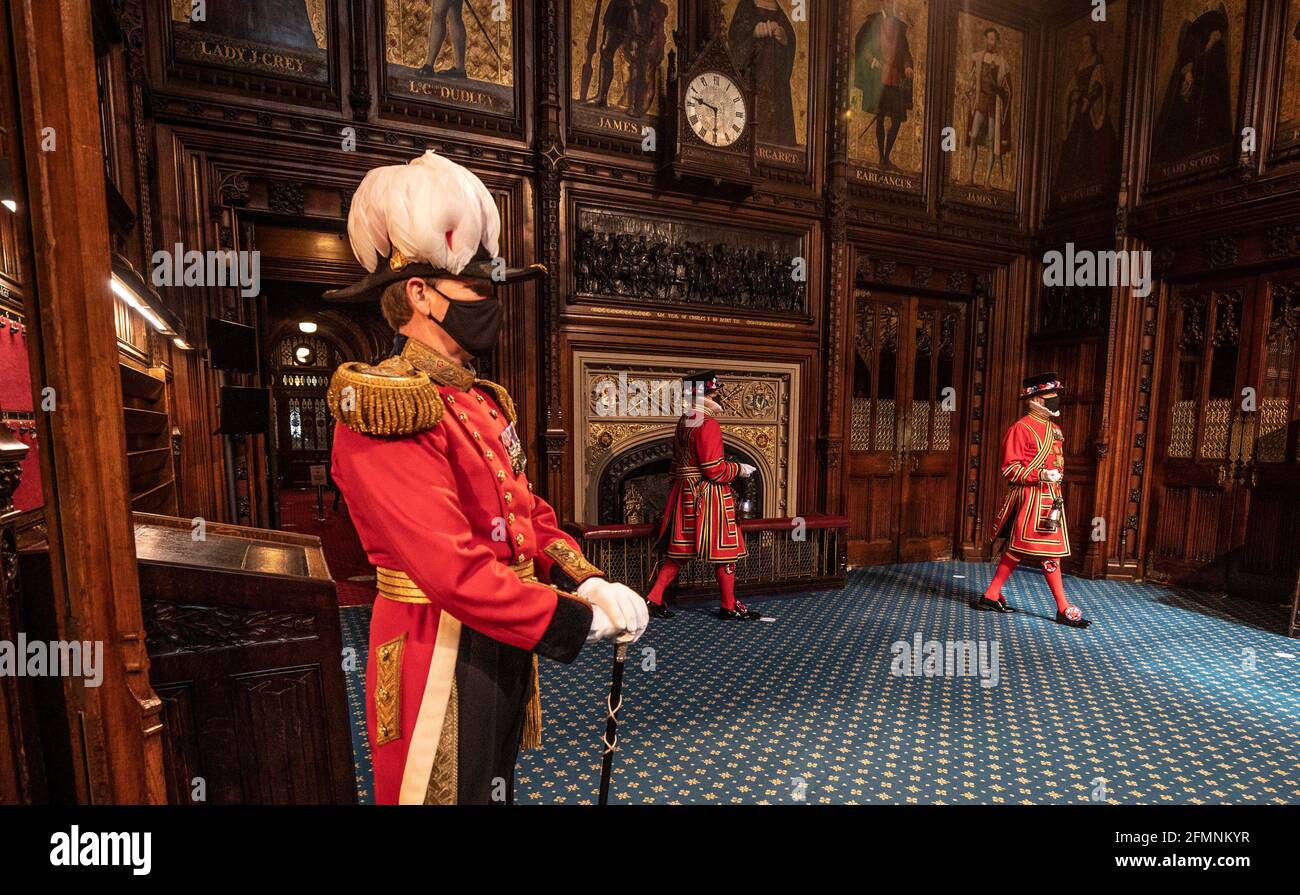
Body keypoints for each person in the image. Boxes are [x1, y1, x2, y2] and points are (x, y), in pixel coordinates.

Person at [325, 150, 649, 804]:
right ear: (419, 293)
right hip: (435, 646)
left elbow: (526, 515)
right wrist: (574, 620)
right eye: (476, 288)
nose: (489, 302)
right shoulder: (386, 404)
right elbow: (451, 568)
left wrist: (585, 574)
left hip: (502, 634)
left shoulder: (480, 399)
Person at [976, 372, 1091, 628]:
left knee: (1017, 549)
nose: (1055, 401)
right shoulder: (1020, 428)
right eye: (1050, 397)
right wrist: (1040, 474)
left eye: (1055, 396)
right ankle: (1062, 607)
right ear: (1036, 399)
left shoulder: (1055, 429)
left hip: (1052, 500)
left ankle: (991, 594)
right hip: (1031, 498)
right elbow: (1009, 469)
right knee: (1049, 554)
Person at [643, 372, 760, 620]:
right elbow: (713, 469)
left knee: (680, 552)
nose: (718, 395)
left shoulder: (684, 421)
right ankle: (728, 606)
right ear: (704, 395)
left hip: (684, 492)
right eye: (714, 392)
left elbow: (675, 465)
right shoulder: (708, 424)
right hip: (708, 496)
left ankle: (653, 598)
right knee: (726, 552)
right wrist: (739, 469)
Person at [854, 0, 915, 170]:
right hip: (878, 78)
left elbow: (905, 52)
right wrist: (873, 61)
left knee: (896, 120)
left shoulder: (899, 28)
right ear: (883, 3)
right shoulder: (873, 22)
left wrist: (908, 66)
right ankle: (881, 157)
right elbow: (862, 46)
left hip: (895, 79)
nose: (891, 5)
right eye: (888, 1)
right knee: (879, 117)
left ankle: (887, 156)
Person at [963, 27, 1013, 188]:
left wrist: (998, 88)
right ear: (985, 39)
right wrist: (969, 93)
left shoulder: (1002, 63)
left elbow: (1008, 90)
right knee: (974, 136)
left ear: (996, 42)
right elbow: (970, 81)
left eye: (994, 39)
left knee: (992, 141)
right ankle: (970, 177)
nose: (991, 42)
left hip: (993, 104)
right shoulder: (977, 58)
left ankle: (987, 181)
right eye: (989, 39)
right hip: (980, 100)